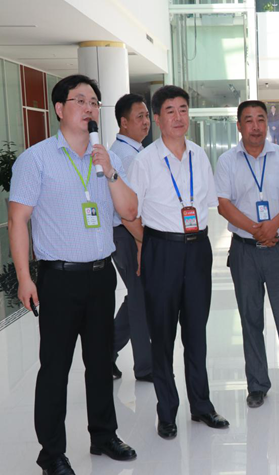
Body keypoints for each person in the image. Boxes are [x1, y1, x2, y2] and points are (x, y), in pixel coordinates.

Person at [8, 74, 138, 475]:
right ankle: (51, 454)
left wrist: (110, 172)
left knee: (100, 362)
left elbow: (130, 211)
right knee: (56, 368)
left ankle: (103, 435)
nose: (89, 107)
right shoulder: (36, 159)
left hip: (101, 276)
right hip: (59, 279)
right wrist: (25, 278)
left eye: (94, 101)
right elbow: (18, 220)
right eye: (80, 100)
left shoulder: (105, 159)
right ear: (60, 109)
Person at [127, 85, 229, 439]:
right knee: (162, 334)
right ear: (157, 118)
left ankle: (201, 406)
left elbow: (206, 204)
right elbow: (128, 213)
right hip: (162, 250)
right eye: (170, 111)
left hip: (197, 249)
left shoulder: (200, 156)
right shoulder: (145, 161)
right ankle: (167, 412)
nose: (178, 117)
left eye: (183, 109)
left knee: (196, 332)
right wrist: (148, 243)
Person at [215, 100, 279, 409]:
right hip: (244, 251)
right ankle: (257, 385)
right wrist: (255, 229)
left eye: (261, 119)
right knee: (250, 320)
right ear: (239, 126)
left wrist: (272, 226)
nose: (256, 126)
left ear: (267, 124)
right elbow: (223, 205)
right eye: (249, 120)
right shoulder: (227, 161)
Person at [109, 93, 153, 382]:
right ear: (124, 123)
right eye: (140, 117)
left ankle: (105, 352)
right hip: (127, 234)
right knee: (140, 298)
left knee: (139, 295)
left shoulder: (134, 150)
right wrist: (140, 242)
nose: (146, 121)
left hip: (134, 232)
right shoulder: (124, 155)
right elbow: (126, 208)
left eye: (147, 116)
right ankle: (145, 367)